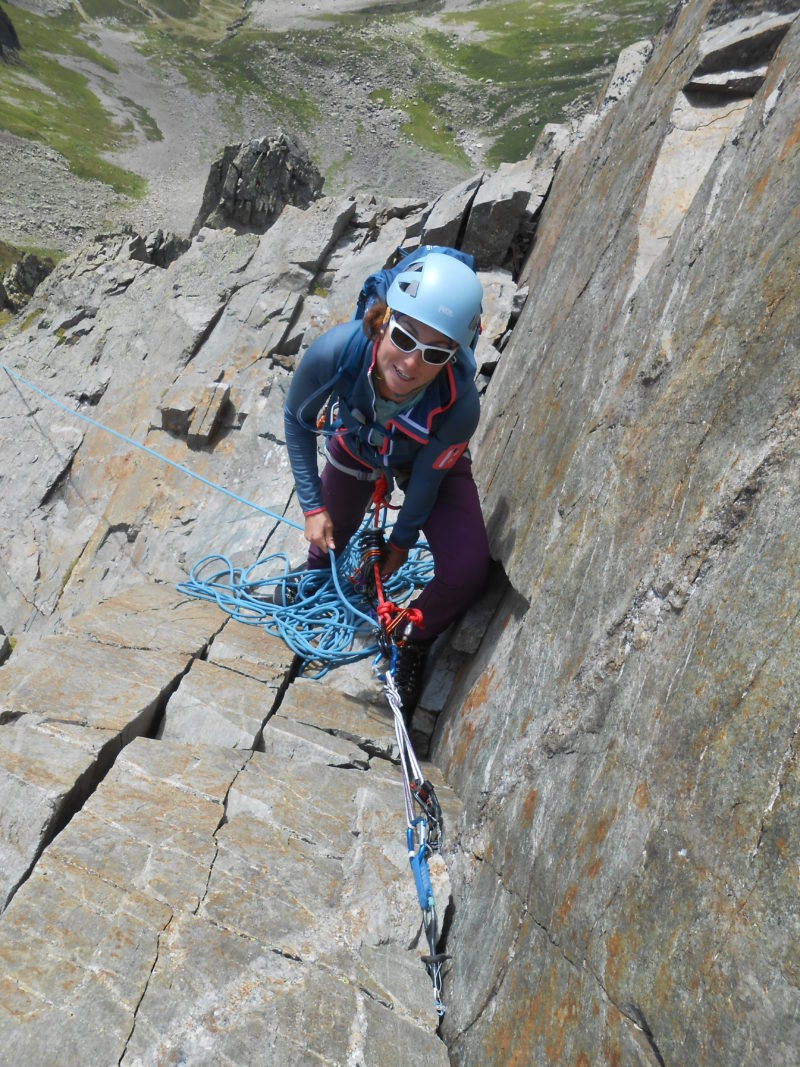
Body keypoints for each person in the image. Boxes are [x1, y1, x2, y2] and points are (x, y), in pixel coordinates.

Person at [283, 251, 490, 718]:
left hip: (425, 454)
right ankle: (319, 575)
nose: (413, 363)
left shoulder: (459, 407)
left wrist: (400, 542)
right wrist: (313, 508)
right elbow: (296, 420)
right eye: (404, 337)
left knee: (467, 569)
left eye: (435, 354)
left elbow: (429, 480)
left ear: (453, 358)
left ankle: (412, 638)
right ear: (382, 322)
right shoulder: (337, 353)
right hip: (360, 442)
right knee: (330, 537)